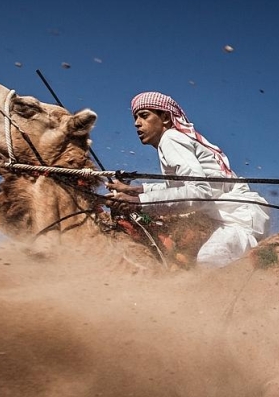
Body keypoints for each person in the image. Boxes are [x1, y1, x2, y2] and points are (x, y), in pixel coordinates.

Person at [107, 91, 270, 267]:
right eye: (135, 118)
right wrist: (139, 190)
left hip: (240, 218)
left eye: (144, 116)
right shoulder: (173, 140)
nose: (137, 123)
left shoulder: (170, 138)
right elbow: (186, 186)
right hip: (224, 216)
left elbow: (199, 191)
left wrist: (138, 202)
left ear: (165, 118)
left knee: (210, 258)